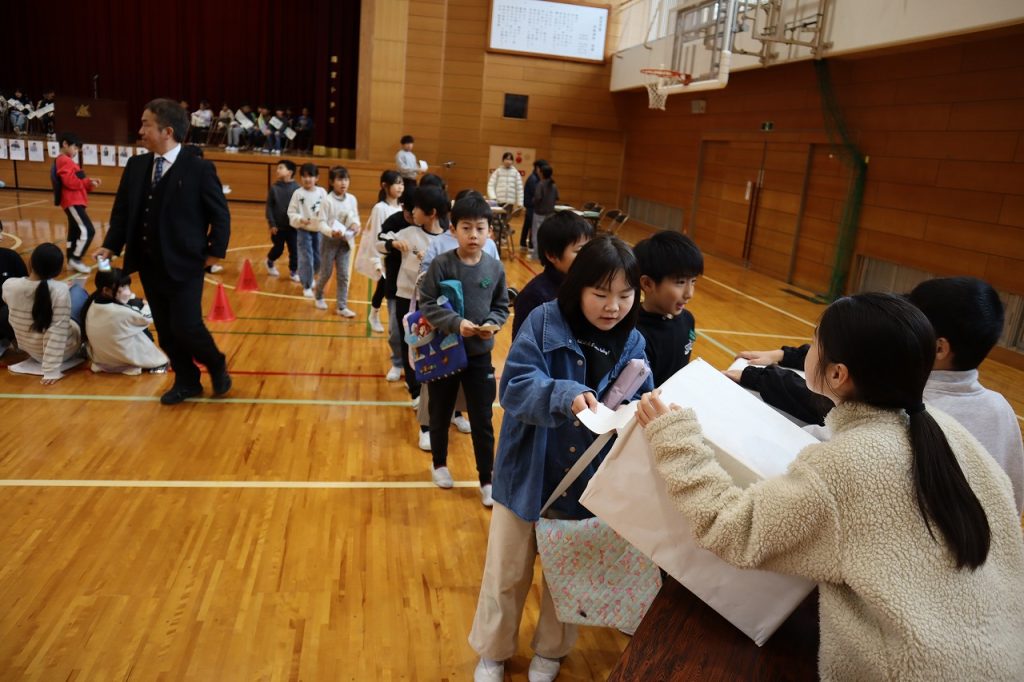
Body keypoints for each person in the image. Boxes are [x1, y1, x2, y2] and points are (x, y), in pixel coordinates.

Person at [636, 292, 1024, 681]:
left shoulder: (846, 463)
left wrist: (675, 439)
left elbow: (733, 530)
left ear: (837, 374)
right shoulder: (948, 430)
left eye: (814, 340)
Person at [469, 236, 653, 682]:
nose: (613, 307)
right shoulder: (544, 321)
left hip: (586, 482)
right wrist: (564, 394)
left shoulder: (633, 342)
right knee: (506, 575)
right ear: (578, 287)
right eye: (601, 293)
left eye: (625, 295)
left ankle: (551, 652)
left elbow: (641, 397)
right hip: (527, 474)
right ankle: (493, 652)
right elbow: (514, 387)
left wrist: (643, 411)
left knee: (567, 578)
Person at [732, 277, 1024, 514]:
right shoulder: (1000, 408)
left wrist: (759, 376)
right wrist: (783, 357)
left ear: (939, 348)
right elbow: (1014, 501)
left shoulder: (894, 407)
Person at [96, 97, 232, 405]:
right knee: (167, 332)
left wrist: (215, 252)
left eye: (146, 124)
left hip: (186, 263)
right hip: (148, 263)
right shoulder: (136, 166)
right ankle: (187, 381)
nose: (140, 130)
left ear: (167, 131)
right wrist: (110, 245)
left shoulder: (199, 168)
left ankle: (215, 363)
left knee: (187, 326)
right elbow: (122, 212)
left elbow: (220, 215)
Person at [418, 194, 510, 497]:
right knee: (440, 410)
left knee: (483, 417)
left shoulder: (494, 268)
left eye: (480, 228)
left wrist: (493, 323)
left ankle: (487, 479)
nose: (473, 235)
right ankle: (439, 464)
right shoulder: (442, 264)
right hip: (445, 352)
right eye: (466, 228)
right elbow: (427, 303)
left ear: (489, 232)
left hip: (479, 355)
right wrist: (456, 323)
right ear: (453, 229)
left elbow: (501, 306)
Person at [387, 185, 448, 405]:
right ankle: (415, 390)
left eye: (417, 208)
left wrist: (432, 261)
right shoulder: (408, 233)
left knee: (434, 344)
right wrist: (392, 243)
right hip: (406, 296)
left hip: (434, 301)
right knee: (410, 342)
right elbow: (380, 242)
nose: (412, 211)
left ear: (431, 213)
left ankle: (436, 389)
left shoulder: (446, 240)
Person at [1, 243, 87, 384]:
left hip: (30, 349)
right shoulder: (59, 290)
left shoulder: (9, 285)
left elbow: (31, 294)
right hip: (65, 351)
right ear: (57, 271)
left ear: (31, 262)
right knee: (78, 292)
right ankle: (89, 347)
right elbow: (57, 331)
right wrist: (51, 370)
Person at [633, 230, 703, 387]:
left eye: (693, 281)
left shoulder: (687, 320)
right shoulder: (636, 334)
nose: (689, 294)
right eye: (680, 282)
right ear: (647, 284)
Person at [510, 211, 592, 339]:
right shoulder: (533, 296)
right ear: (552, 255)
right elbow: (522, 345)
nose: (588, 255)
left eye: (590, 248)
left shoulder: (591, 285)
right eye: (579, 250)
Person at [83, 268, 168, 375]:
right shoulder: (121, 312)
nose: (126, 290)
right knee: (144, 329)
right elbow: (148, 317)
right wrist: (145, 305)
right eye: (122, 287)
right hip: (123, 360)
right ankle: (156, 365)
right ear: (106, 290)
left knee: (133, 308)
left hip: (102, 361)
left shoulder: (93, 303)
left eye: (127, 285)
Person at [356, 170, 404, 333]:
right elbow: (376, 235)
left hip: (399, 256)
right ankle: (374, 314)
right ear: (385, 186)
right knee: (383, 286)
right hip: (385, 255)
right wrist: (377, 260)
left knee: (390, 288)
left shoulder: (402, 207)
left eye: (402, 183)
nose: (400, 187)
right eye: (396, 183)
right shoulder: (380, 208)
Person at [315, 166, 359, 317]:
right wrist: (331, 232)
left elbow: (355, 217)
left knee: (344, 274)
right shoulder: (327, 201)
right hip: (329, 242)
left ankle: (341, 306)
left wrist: (356, 225)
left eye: (346, 179)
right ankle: (318, 295)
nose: (343, 183)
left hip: (345, 242)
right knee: (326, 273)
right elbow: (321, 223)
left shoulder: (352, 199)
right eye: (340, 179)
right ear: (332, 182)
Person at [55, 132, 101, 274]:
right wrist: (84, 181)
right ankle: (76, 258)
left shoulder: (68, 161)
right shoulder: (64, 160)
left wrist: (89, 182)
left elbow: (78, 181)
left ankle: (70, 260)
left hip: (76, 201)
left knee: (74, 232)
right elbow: (70, 182)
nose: (76, 152)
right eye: (74, 148)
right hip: (72, 201)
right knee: (88, 230)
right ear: (65, 144)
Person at [286, 163, 329, 298]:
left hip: (319, 230)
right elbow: (291, 212)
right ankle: (307, 285)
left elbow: (328, 210)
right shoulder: (298, 194)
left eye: (310, 176)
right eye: (304, 176)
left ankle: (310, 276)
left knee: (318, 259)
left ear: (317, 178)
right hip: (303, 231)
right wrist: (300, 219)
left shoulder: (322, 192)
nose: (307, 179)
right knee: (306, 258)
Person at [265, 159, 300, 281]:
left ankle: (294, 271)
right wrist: (272, 224)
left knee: (294, 250)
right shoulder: (274, 188)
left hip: (293, 227)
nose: (277, 170)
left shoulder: (298, 189)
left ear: (289, 172)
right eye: (277, 168)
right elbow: (269, 207)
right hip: (278, 227)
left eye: (281, 168)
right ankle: (270, 261)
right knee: (278, 249)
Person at [0, 243, 29, 357]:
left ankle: (14, 338)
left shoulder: (11, 257)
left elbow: (26, 289)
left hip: (11, 312)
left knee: (5, 313)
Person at [531, 165, 558, 260]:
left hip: (540, 213)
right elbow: (556, 197)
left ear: (541, 173)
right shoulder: (554, 185)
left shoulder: (541, 184)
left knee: (537, 234)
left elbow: (537, 198)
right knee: (547, 235)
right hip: (550, 213)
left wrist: (533, 201)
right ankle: (545, 256)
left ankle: (536, 255)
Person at [520, 160, 546, 252]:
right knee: (532, 225)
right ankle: (531, 244)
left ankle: (523, 243)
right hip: (531, 205)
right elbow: (537, 193)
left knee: (528, 224)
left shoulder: (535, 178)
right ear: (538, 168)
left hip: (530, 205)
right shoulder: (534, 179)